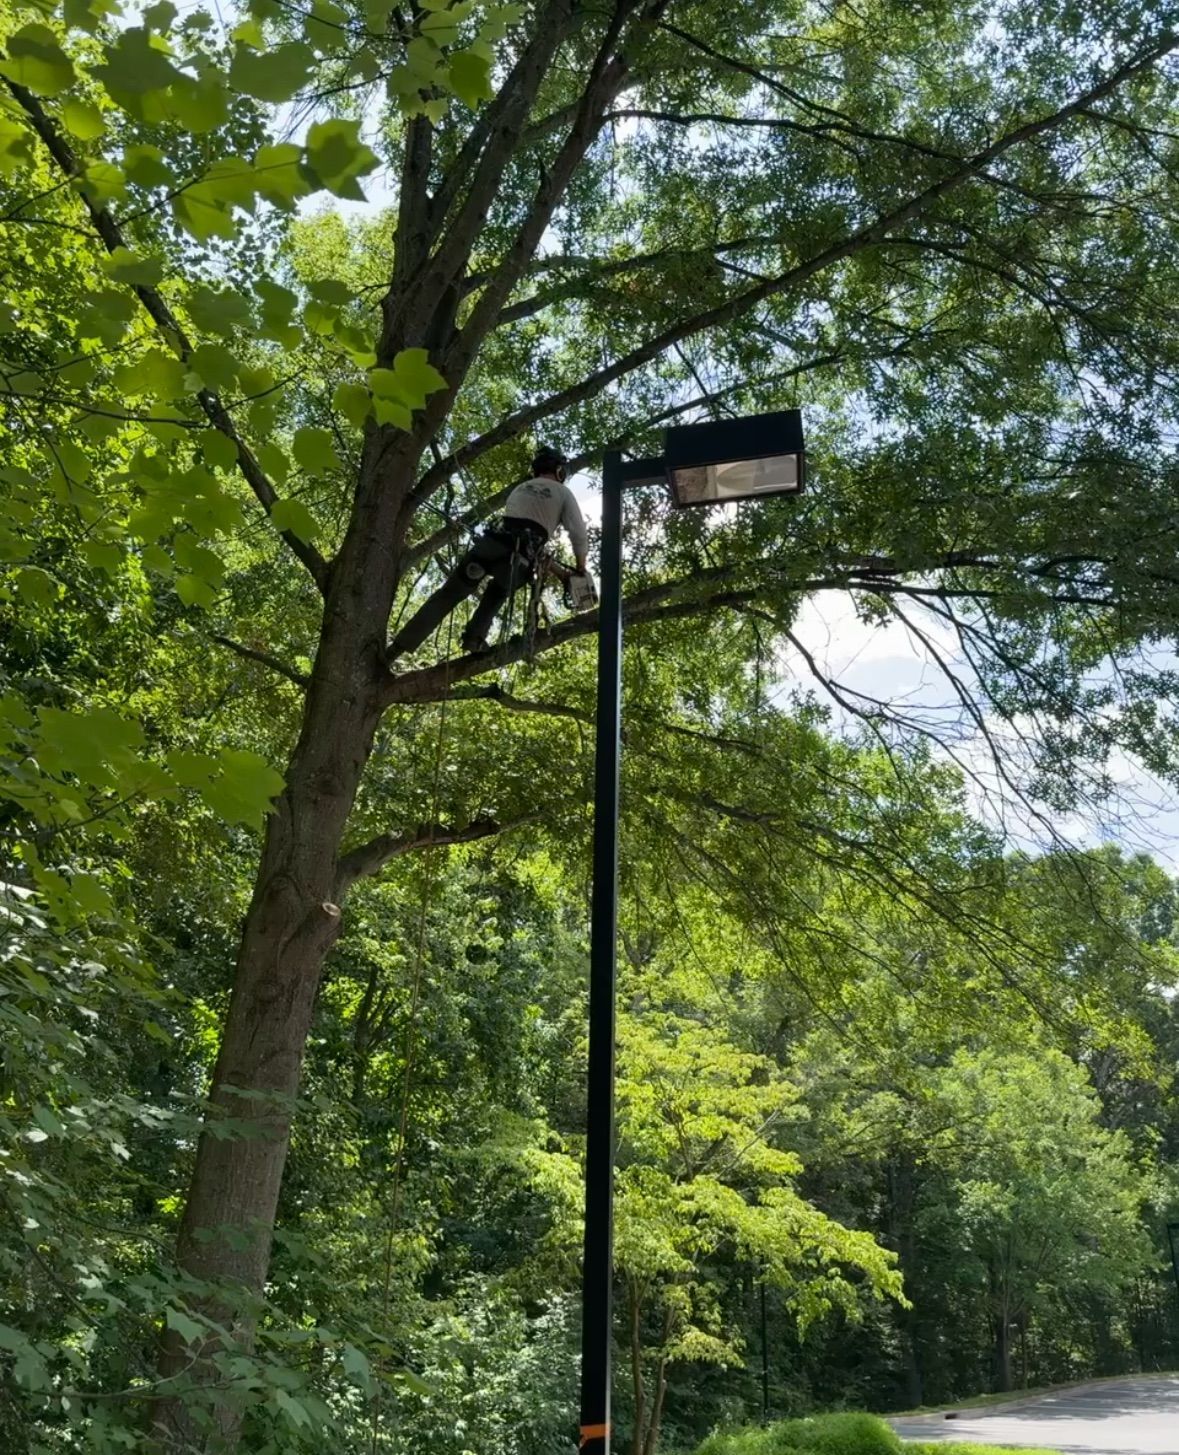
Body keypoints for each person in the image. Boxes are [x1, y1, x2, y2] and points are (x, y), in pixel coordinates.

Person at [389, 446, 589, 659]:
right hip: (519, 559)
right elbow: (578, 535)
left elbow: (521, 534)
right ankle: (474, 638)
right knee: (498, 591)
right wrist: (580, 568)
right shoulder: (564, 493)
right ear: (560, 472)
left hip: (491, 544)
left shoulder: (520, 489)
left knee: (449, 593)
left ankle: (397, 648)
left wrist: (561, 573)